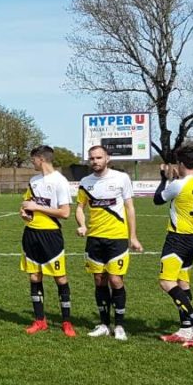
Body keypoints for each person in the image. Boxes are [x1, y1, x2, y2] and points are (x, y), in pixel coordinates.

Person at [75, 145, 143, 340]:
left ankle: (119, 325)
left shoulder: (121, 178)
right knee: (99, 280)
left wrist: (133, 236)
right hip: (94, 238)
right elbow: (80, 207)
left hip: (117, 238)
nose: (95, 161)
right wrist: (82, 224)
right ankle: (104, 324)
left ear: (107, 159)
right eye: (92, 158)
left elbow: (130, 208)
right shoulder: (85, 182)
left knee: (115, 280)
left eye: (99, 157)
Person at [153, 145, 193, 347]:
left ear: (180, 164)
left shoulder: (179, 184)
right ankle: (185, 329)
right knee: (183, 283)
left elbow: (157, 199)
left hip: (177, 238)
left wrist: (164, 178)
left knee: (166, 282)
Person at [19, 145, 76, 337]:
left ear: (40, 159)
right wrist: (25, 213)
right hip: (31, 234)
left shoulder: (60, 181)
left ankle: (67, 322)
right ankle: (39, 320)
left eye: (33, 159)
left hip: (51, 235)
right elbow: (26, 205)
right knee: (34, 277)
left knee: (60, 278)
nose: (32, 163)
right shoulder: (33, 181)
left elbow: (65, 213)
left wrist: (37, 207)